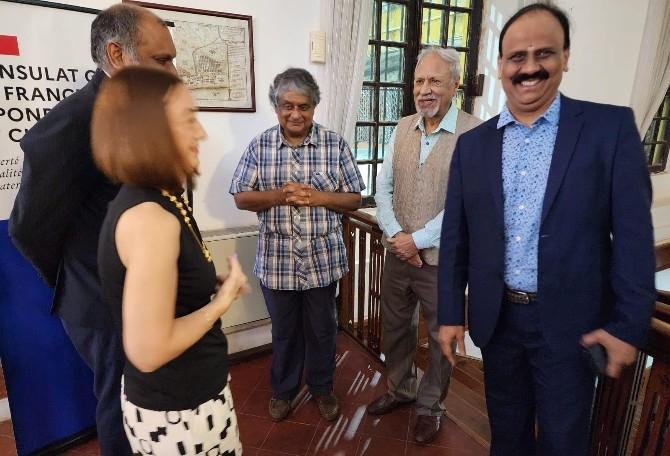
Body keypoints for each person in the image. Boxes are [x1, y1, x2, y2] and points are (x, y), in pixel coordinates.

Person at [437, 4, 656, 455]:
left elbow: (634, 239)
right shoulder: (472, 146)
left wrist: (628, 326)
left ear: (565, 57)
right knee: (508, 435)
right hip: (497, 322)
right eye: (517, 57)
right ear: (500, 65)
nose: (530, 67)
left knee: (563, 441)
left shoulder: (608, 129)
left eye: (545, 53)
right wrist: (449, 314)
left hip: (571, 324)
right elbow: (457, 237)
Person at [8, 4, 178, 454]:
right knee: (123, 408)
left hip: (147, 296)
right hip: (107, 306)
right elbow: (30, 226)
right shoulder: (75, 120)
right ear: (118, 54)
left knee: (148, 404)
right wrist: (86, 281)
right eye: (162, 60)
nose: (173, 73)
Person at [93, 66, 248, 455]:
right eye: (188, 119)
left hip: (186, 400)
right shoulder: (151, 219)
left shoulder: (164, 200)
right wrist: (223, 301)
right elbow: (148, 350)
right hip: (181, 413)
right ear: (151, 130)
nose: (201, 132)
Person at [229, 68, 365, 422]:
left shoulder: (335, 144)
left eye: (303, 106)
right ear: (276, 107)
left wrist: (317, 197)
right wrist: (279, 195)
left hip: (323, 258)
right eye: (287, 106)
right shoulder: (260, 145)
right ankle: (283, 391)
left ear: (314, 107)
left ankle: (322, 389)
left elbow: (354, 199)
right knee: (285, 333)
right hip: (277, 260)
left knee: (322, 330)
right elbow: (241, 198)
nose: (295, 114)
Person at [367, 46, 481, 444]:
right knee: (396, 328)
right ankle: (400, 389)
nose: (425, 89)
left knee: (440, 338)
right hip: (398, 255)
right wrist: (400, 238)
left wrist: (416, 240)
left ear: (455, 86)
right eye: (419, 81)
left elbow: (464, 206)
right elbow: (383, 188)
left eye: (435, 81)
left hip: (442, 263)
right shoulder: (401, 128)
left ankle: (431, 405)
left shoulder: (475, 133)